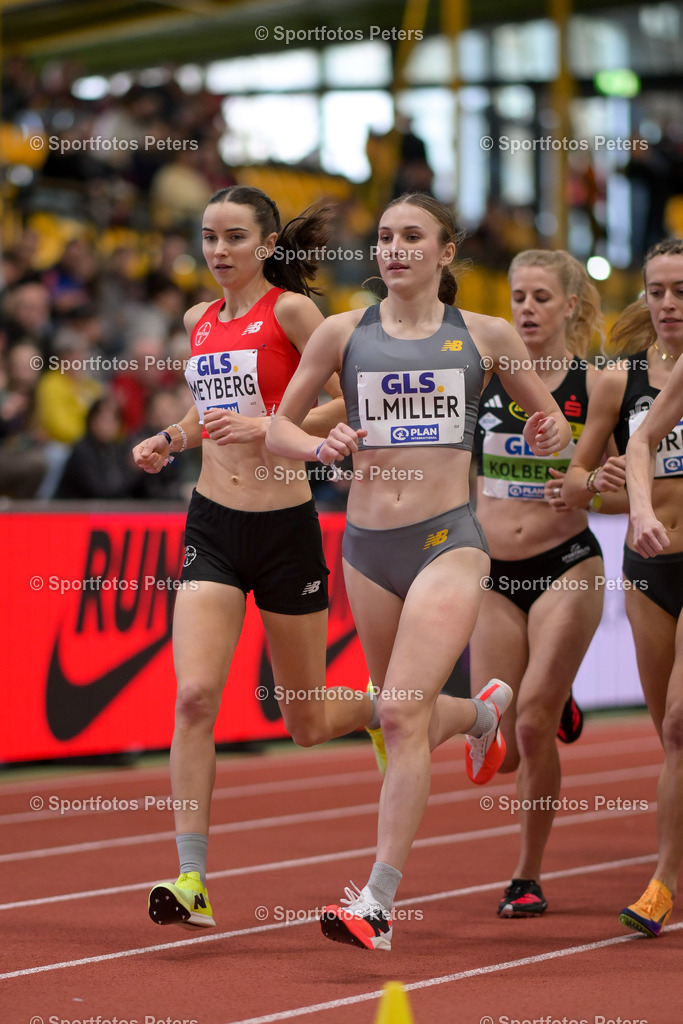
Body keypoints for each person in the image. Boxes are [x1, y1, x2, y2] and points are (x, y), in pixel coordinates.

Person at [266, 192, 571, 950]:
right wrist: (317, 447)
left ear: (444, 252)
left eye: (411, 237)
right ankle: (478, 715)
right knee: (400, 714)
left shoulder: (487, 335)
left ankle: (376, 902)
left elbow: (555, 429)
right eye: (384, 237)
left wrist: (549, 429)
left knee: (401, 713)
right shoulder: (341, 333)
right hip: (366, 549)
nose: (394, 249)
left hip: (448, 540)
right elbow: (276, 424)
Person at [133, 185, 379, 930]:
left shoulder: (293, 312)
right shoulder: (196, 320)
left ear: (267, 245)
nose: (217, 252)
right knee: (193, 697)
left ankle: (390, 709)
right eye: (208, 237)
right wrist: (172, 439)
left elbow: (348, 400)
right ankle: (192, 877)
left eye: (234, 238)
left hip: (284, 530)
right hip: (211, 522)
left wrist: (269, 422)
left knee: (301, 721)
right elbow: (208, 416)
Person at [468, 250, 609, 918]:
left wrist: (584, 487)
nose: (524, 308)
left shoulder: (594, 383)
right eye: (517, 296)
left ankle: (525, 875)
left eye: (540, 298)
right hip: (491, 574)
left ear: (570, 307)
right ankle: (558, 700)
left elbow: (620, 493)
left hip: (566, 565)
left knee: (529, 726)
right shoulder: (484, 377)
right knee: (494, 749)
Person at [564, 237, 683, 938]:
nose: (667, 305)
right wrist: (600, 487)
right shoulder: (617, 380)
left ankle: (662, 880)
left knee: (677, 722)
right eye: (657, 291)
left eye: (681, 292)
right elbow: (574, 487)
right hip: (649, 567)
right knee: (668, 739)